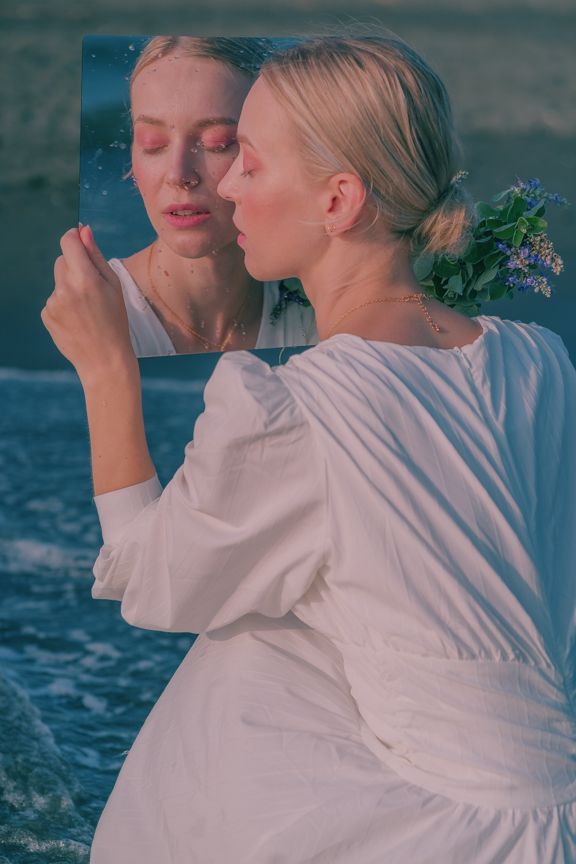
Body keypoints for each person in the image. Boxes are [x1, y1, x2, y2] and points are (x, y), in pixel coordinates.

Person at [42, 31, 576, 864]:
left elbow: (153, 584)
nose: (223, 186)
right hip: (556, 815)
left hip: (457, 837)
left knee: (240, 647)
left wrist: (109, 371)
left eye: (245, 160)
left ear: (337, 204)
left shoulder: (298, 411)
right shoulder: (537, 359)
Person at [104, 36, 318, 355]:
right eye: (153, 144)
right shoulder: (97, 312)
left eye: (217, 144)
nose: (179, 175)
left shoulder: (315, 310)